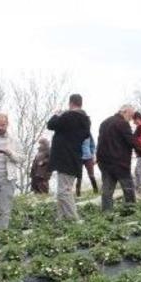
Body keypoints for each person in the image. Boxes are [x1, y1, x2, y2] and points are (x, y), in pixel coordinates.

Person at [47, 93, 91, 221]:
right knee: (64, 189)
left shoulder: (68, 116)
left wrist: (57, 114)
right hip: (75, 156)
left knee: (63, 191)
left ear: (71, 103)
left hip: (64, 158)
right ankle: (61, 218)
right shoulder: (85, 119)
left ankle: (74, 219)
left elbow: (50, 125)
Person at [96, 105, 141, 210]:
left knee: (107, 190)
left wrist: (98, 158)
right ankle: (130, 211)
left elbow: (100, 142)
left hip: (104, 162)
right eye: (130, 115)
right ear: (124, 112)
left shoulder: (104, 123)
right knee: (128, 188)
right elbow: (133, 141)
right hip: (119, 162)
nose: (131, 119)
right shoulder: (122, 123)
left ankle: (107, 213)